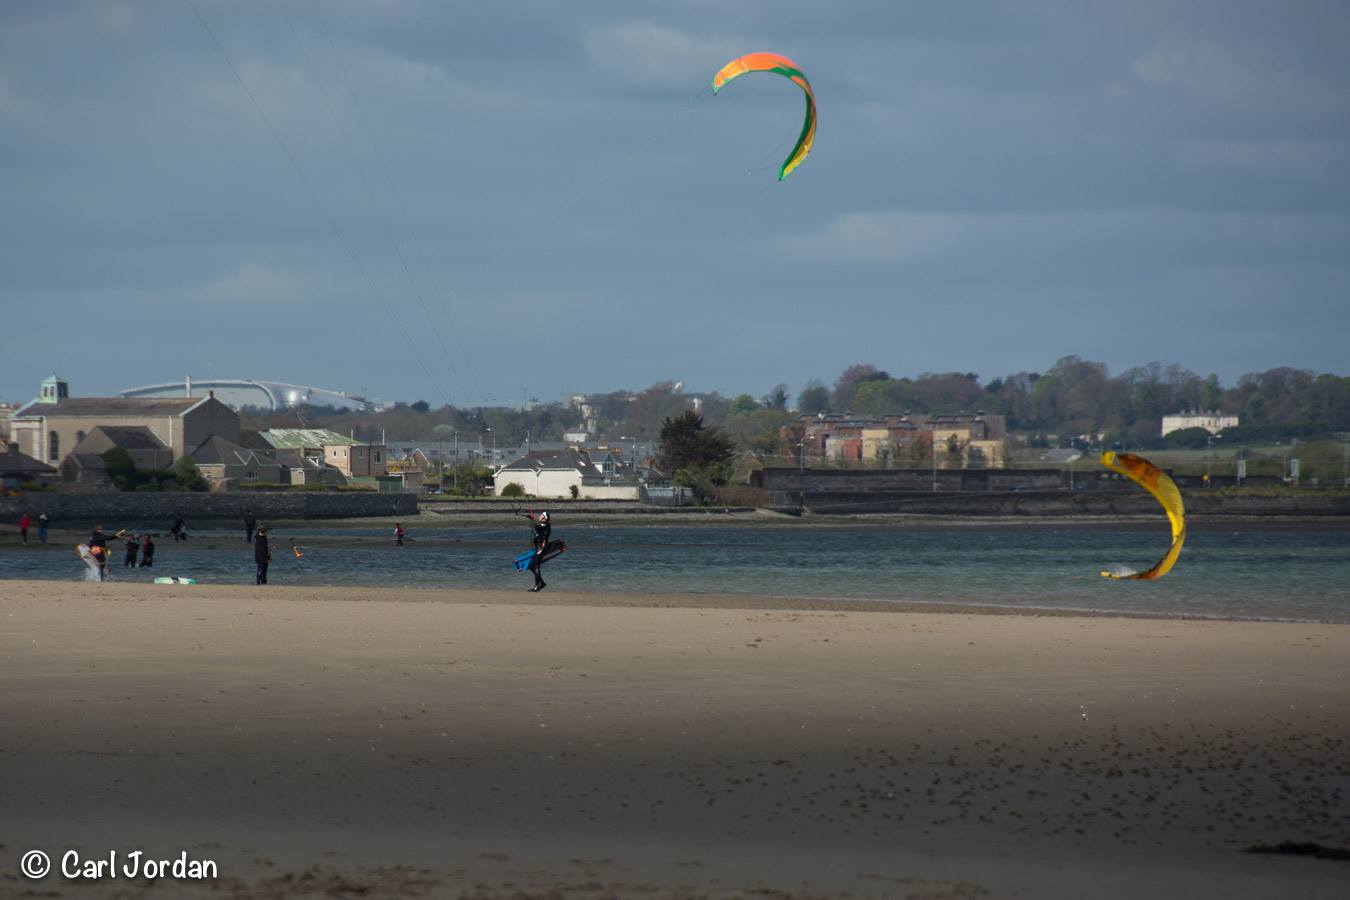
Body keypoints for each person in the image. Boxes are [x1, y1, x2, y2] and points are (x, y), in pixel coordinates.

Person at [526, 509, 551, 593]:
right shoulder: (543, 524)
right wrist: (531, 520)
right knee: (532, 566)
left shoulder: (545, 525)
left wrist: (532, 519)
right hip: (538, 548)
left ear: (544, 518)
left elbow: (536, 527)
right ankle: (542, 583)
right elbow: (535, 528)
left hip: (541, 548)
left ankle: (537, 586)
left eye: (541, 515)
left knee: (535, 566)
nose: (539, 516)